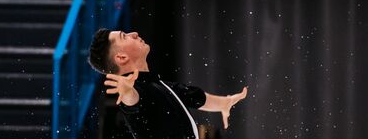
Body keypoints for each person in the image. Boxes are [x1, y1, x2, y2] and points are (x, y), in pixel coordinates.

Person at [88, 28, 248, 138]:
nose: (134, 34)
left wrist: (224, 103)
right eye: (125, 36)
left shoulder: (162, 86)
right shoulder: (136, 91)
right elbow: (132, 101)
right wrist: (127, 91)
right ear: (122, 58)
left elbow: (195, 96)